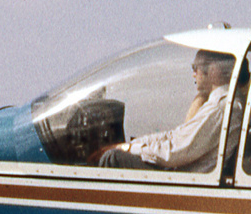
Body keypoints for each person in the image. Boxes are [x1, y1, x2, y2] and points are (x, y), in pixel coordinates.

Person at [93, 50, 236, 172]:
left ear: (213, 71)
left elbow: (174, 153)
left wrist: (127, 149)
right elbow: (177, 136)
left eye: (195, 68)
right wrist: (130, 145)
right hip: (185, 170)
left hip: (184, 179)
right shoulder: (221, 103)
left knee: (112, 158)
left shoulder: (219, 108)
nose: (193, 74)